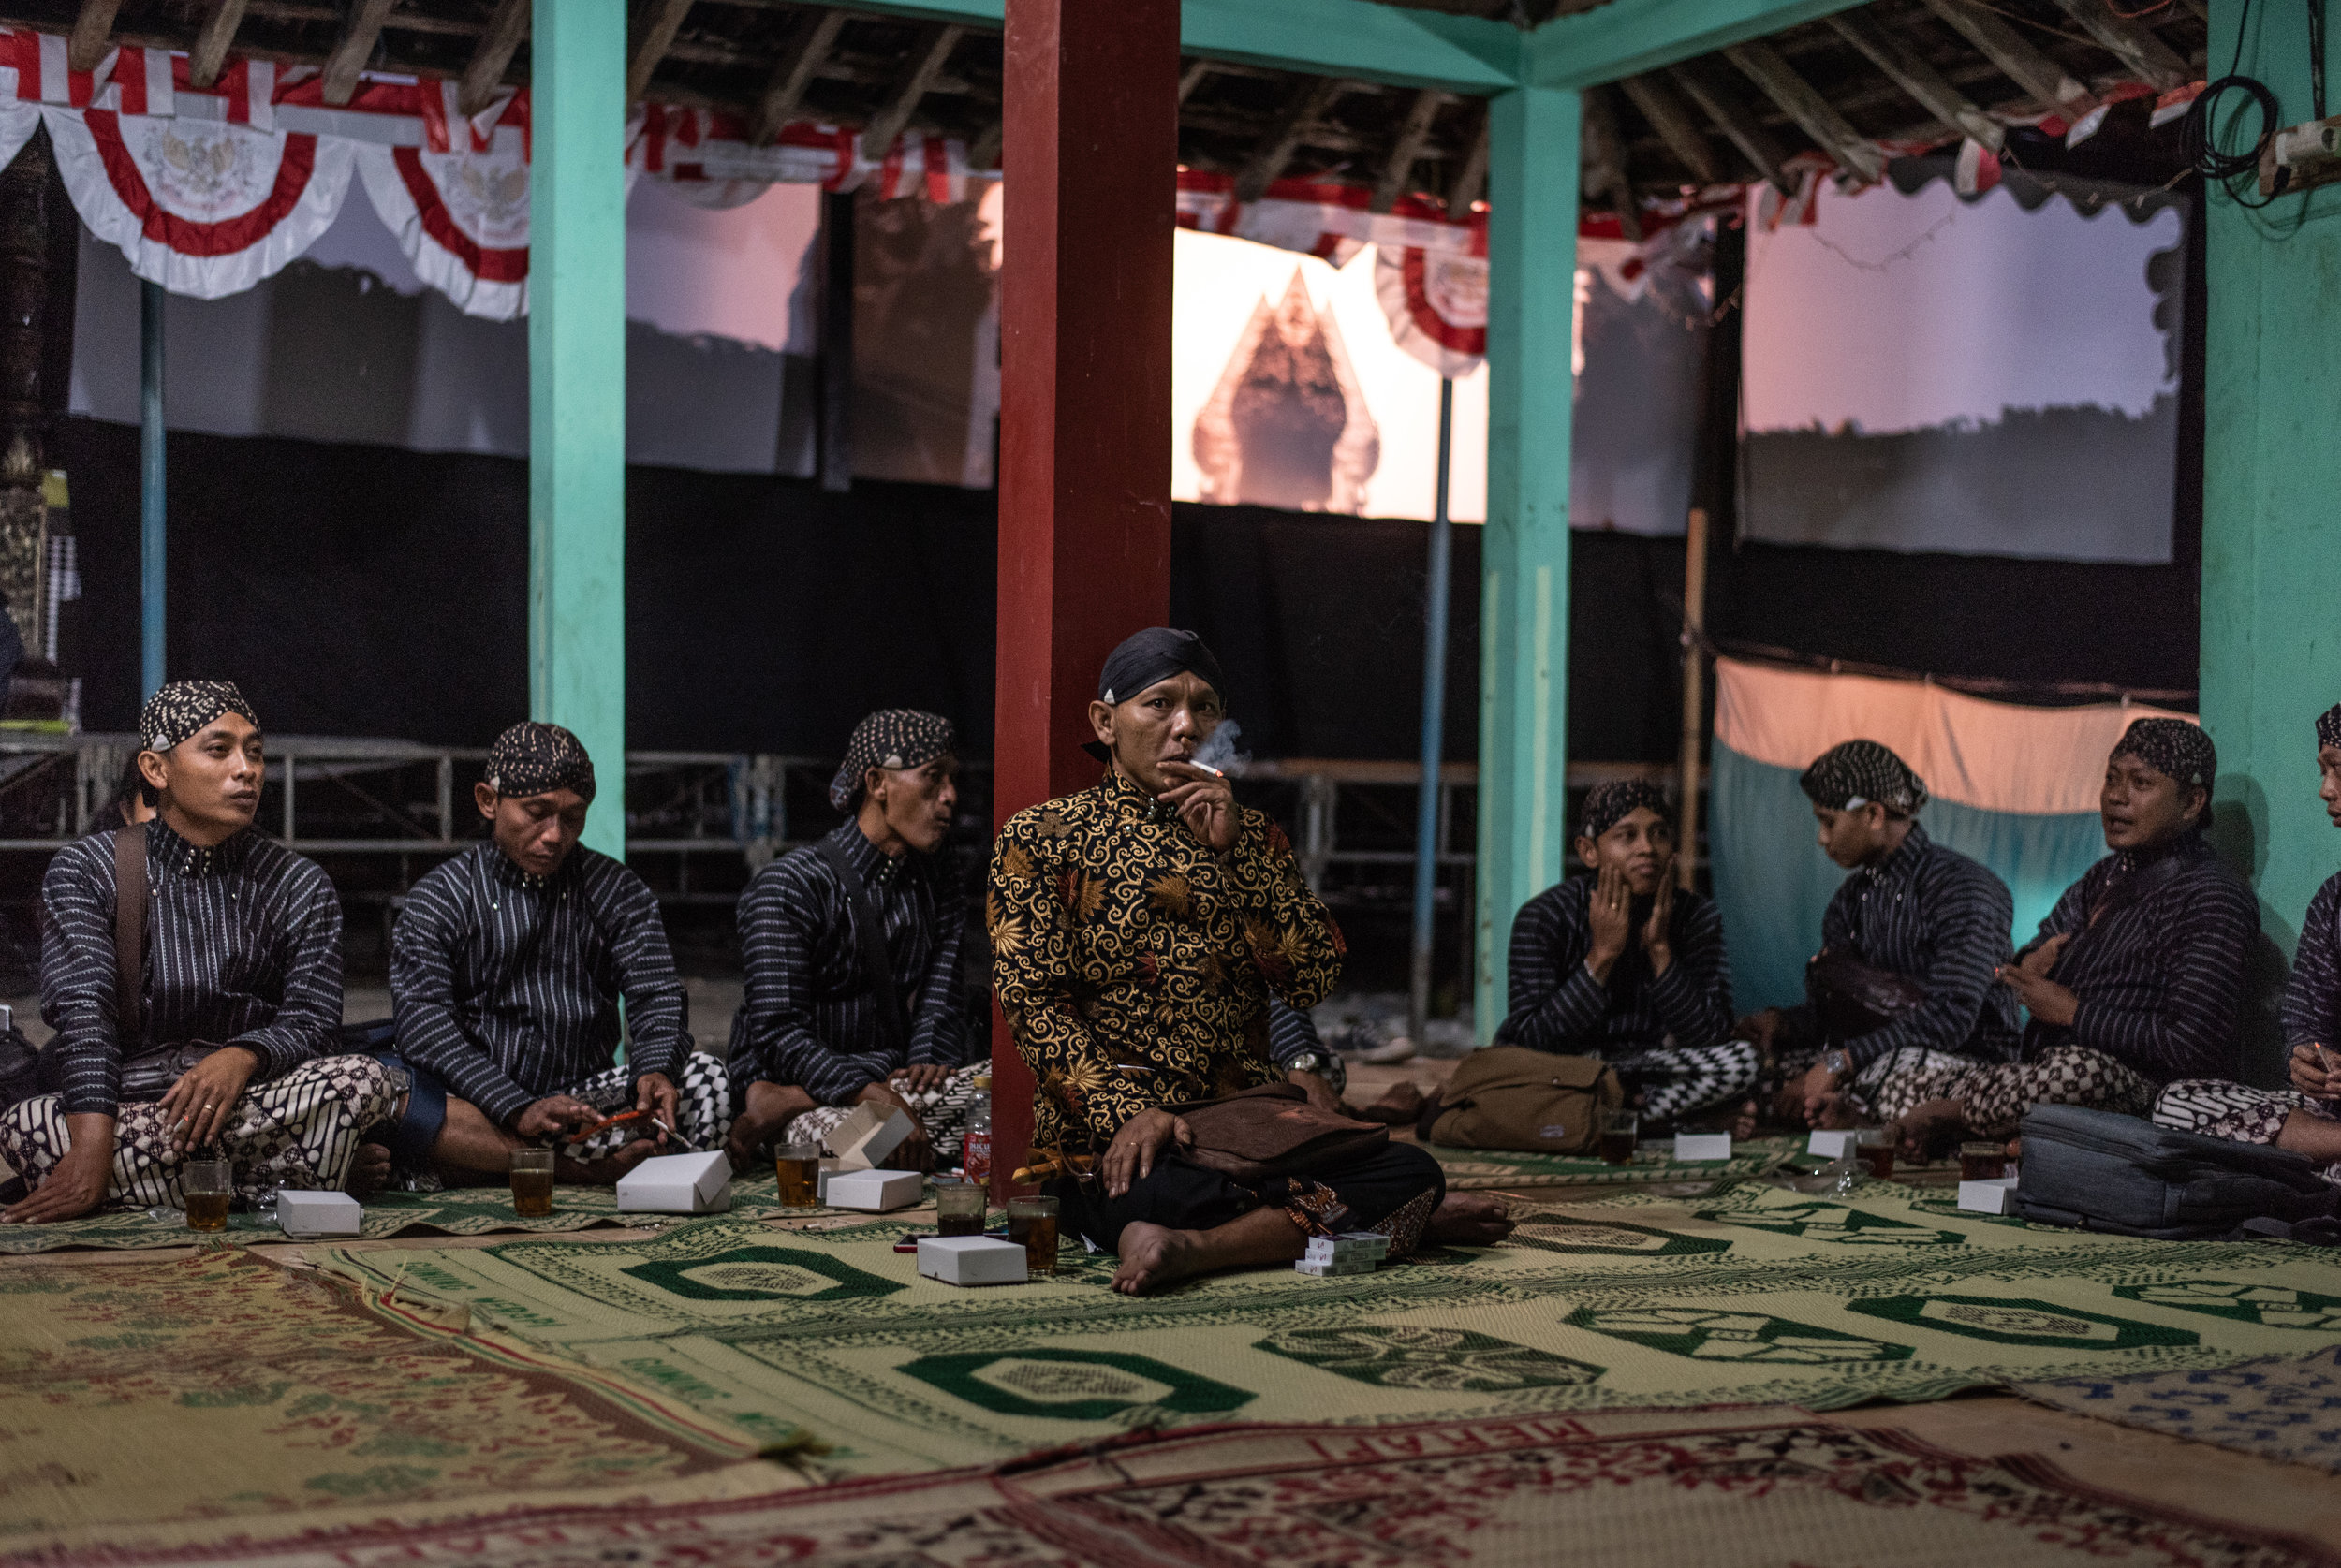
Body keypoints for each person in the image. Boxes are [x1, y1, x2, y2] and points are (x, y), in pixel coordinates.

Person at [990, 627, 1510, 1296]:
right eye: (1160, 704)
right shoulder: (1043, 837)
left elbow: (1312, 975)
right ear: (1105, 721)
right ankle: (1369, 1224)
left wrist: (1238, 860)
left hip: (1250, 1133)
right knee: (1157, 1187)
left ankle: (1198, 1248)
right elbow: (1034, 1005)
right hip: (1119, 1140)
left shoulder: (1254, 836)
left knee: (1412, 1170)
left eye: (1205, 708)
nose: (1187, 727)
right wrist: (1127, 1112)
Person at [1, 681, 395, 1222]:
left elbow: (314, 1021)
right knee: (24, 1124)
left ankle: (159, 1186)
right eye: (219, 750)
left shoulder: (299, 882)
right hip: (136, 1106)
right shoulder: (89, 868)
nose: (247, 769)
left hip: (252, 1101)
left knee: (362, 1081)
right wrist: (92, 1150)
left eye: (254, 752)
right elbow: (84, 1014)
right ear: (157, 769)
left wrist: (243, 1056)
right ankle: (282, 1180)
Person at [1871, 718, 2257, 1156]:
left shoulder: (2212, 897)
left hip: (2139, 1094)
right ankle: (1996, 1123)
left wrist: (2074, 1012)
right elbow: (2032, 951)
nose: (2116, 796)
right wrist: (2029, 961)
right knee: (1897, 1072)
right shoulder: (2106, 878)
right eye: (2111, 778)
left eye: (2140, 783)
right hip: (2035, 1076)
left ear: (2191, 803)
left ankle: (1959, 1118)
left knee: (2078, 1074)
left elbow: (2192, 1045)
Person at [370, 722, 729, 1189]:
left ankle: (489, 1170)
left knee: (707, 1081)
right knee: (395, 1099)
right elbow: (426, 1030)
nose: (556, 835)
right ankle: (580, 1172)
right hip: (476, 1109)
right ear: (487, 801)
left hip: (581, 1111)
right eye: (537, 813)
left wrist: (655, 1069)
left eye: (573, 817)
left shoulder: (616, 890)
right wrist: (516, 1106)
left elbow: (656, 994)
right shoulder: (440, 897)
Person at [723, 711, 980, 1175]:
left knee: (1010, 1095)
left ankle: (797, 1107)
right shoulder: (790, 885)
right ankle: (791, 1111)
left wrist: (925, 1069)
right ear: (878, 783)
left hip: (887, 1076)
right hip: (811, 1082)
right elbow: (779, 1031)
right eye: (932, 778)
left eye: (953, 779)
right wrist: (872, 1094)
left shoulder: (939, 877)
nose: (950, 797)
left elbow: (942, 994)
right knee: (854, 1144)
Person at [1741, 740, 2020, 1128]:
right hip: (1868, 1058)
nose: (1821, 838)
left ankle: (1851, 1115)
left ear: (1873, 814)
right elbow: (1836, 1018)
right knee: (1747, 1068)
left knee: (1890, 1075)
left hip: (1962, 1061)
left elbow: (1951, 1019)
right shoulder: (1850, 899)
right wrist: (1782, 1025)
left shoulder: (1962, 888)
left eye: (1829, 821)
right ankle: (1834, 1109)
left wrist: (1840, 1063)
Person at [1494, 780, 1755, 1125]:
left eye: (1659, 834)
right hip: (1567, 1072)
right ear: (1589, 851)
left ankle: (1612, 1116)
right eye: (1627, 836)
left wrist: (1660, 951)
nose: (1647, 848)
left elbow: (1712, 1037)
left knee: (1746, 1061)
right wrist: (1601, 955)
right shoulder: (1545, 916)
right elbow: (1533, 1041)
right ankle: (1675, 1120)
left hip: (1651, 1068)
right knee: (1515, 1072)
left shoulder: (1696, 916)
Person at [2154, 704, 2341, 1181]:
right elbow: (2306, 1017)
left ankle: (2309, 1168)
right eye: (2323, 770)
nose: (2326, 790)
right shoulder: (2334, 900)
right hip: (2330, 1116)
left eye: (2338, 768)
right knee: (2176, 1104)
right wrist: (2307, 1058)